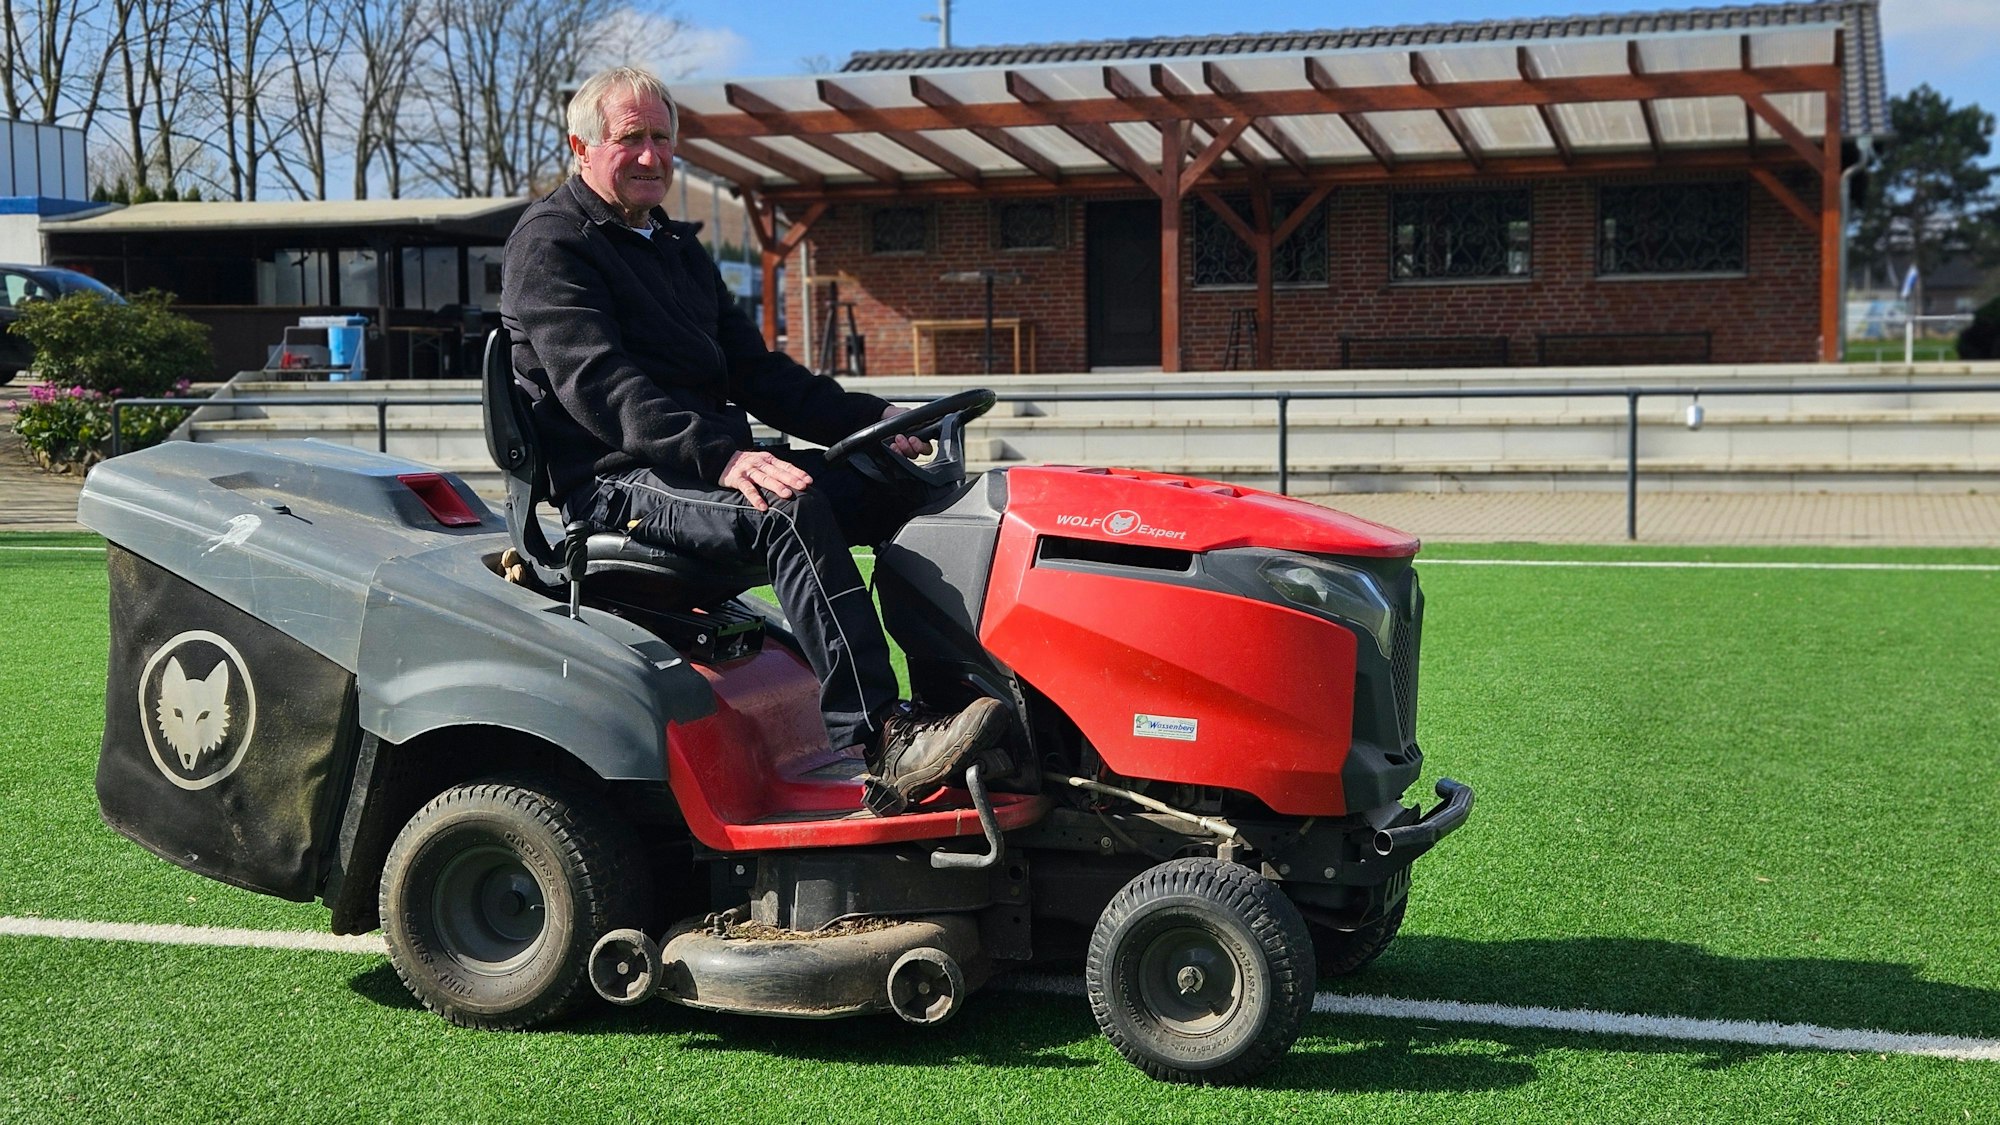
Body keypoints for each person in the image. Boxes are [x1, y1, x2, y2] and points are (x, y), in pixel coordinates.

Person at [500, 66, 1003, 816]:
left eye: (662, 139)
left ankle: (965, 702)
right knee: (787, 509)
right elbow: (603, 388)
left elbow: (759, 373)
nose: (650, 156)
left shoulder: (672, 245)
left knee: (896, 485)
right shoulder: (552, 245)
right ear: (581, 146)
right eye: (629, 139)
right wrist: (725, 458)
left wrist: (871, 424)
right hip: (616, 481)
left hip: (701, 466)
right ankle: (886, 740)